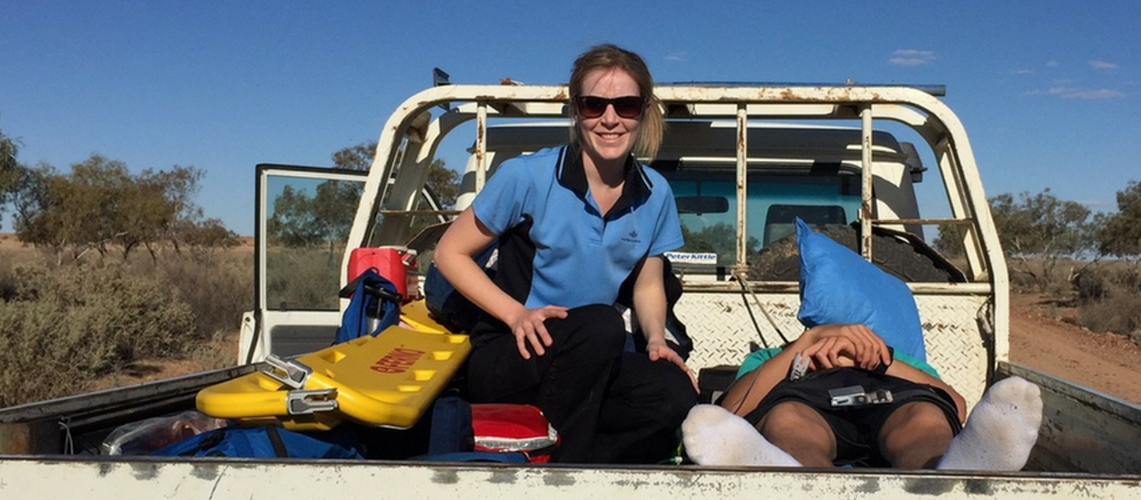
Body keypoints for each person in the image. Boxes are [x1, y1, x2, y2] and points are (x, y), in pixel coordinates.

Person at [432, 44, 696, 464]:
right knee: (603, 325)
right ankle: (563, 472)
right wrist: (516, 315)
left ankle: (575, 459)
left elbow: (648, 285)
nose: (610, 119)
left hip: (591, 356)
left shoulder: (655, 193)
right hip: (512, 351)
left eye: (626, 105)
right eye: (594, 105)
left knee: (673, 391)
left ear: (644, 111)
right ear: (576, 110)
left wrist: (656, 340)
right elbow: (449, 253)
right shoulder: (526, 176)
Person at [681, 324, 1043, 470]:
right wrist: (807, 344)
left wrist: (880, 360)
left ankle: (955, 471)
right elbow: (734, 409)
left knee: (924, 420)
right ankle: (789, 474)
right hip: (805, 401)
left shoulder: (899, 359)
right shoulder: (774, 357)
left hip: (889, 396)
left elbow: (956, 406)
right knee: (788, 422)